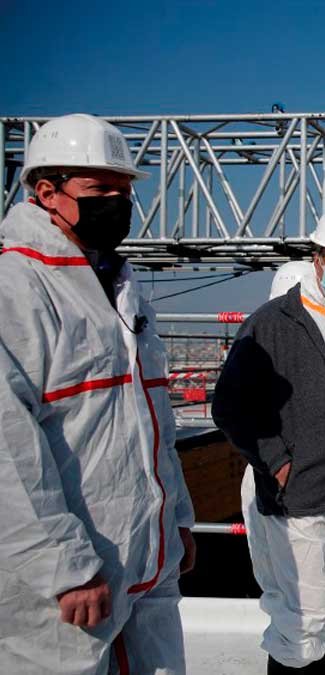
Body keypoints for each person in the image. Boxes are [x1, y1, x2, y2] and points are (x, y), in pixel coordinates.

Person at [0, 113, 196, 674]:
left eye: (124, 190)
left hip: (146, 559)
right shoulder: (18, 290)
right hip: (64, 587)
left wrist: (177, 518)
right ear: (47, 193)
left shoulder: (119, 288)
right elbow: (9, 453)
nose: (117, 202)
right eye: (100, 190)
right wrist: (63, 566)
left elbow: (149, 418)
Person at [213, 204, 325, 674]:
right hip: (300, 495)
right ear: (316, 256)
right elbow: (230, 407)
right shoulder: (273, 323)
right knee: (302, 616)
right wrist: (277, 460)